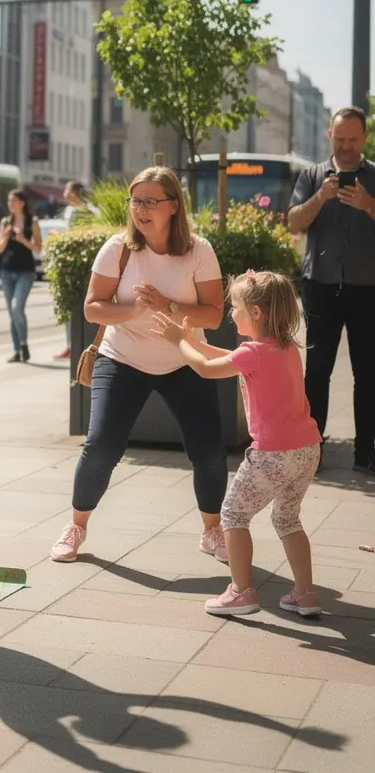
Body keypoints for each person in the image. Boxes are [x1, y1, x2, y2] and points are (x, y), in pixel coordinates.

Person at [49, 165, 228, 564]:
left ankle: (212, 530)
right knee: (100, 447)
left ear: (173, 207)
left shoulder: (199, 250)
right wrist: (132, 308)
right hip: (123, 357)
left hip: (184, 359)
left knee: (209, 450)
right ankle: (76, 525)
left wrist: (169, 306)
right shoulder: (119, 248)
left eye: (150, 201)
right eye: (136, 201)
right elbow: (93, 309)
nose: (141, 209)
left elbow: (213, 315)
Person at [153, 270, 322, 617]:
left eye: (236, 307)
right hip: (307, 449)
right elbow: (226, 357)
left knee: (232, 513)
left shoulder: (253, 354)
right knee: (288, 518)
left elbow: (205, 369)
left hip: (273, 454)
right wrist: (194, 342)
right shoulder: (284, 347)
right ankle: (305, 594)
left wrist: (177, 341)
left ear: (256, 314)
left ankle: (241, 592)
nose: (232, 313)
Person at [287, 106, 375, 475]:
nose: (346, 146)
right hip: (320, 286)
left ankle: (366, 453)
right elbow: (293, 221)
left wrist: (369, 205)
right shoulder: (312, 176)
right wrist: (320, 198)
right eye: (340, 139)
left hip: (367, 288)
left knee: (368, 373)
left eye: (353, 140)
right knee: (317, 371)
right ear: (330, 136)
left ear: (365, 138)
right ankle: (313, 450)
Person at [0, 189, 41, 363]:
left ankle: (23, 343)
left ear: (22, 202)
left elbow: (38, 247)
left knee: (17, 308)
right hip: (6, 271)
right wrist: (6, 236)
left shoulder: (32, 221)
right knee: (12, 312)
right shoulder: (5, 221)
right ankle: (17, 351)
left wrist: (23, 240)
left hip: (26, 271)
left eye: (13, 200)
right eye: (9, 201)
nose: (10, 204)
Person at [55, 180, 91, 361]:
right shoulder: (72, 211)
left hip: (76, 267)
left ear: (75, 193)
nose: (64, 194)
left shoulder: (84, 211)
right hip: (73, 264)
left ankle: (72, 346)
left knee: (73, 308)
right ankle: (70, 345)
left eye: (67, 191)